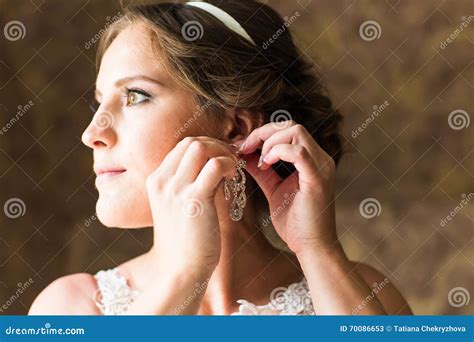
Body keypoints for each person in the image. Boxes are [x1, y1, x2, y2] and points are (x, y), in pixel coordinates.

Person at [29, 0, 412, 315]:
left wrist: (317, 248)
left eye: (135, 96)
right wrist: (184, 275)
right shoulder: (70, 307)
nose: (92, 133)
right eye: (98, 104)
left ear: (235, 127)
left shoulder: (368, 296)